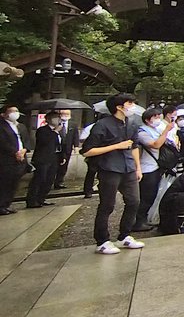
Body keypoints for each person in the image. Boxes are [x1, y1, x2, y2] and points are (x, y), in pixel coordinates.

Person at [81, 93, 145, 255]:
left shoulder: (131, 124)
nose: (132, 106)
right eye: (129, 103)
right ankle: (102, 240)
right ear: (119, 107)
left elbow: (134, 147)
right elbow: (87, 151)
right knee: (107, 205)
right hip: (109, 168)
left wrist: (138, 167)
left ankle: (125, 235)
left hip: (128, 168)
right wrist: (116, 146)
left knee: (134, 201)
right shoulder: (102, 125)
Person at [135, 108, 177, 232]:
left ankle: (143, 219)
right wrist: (166, 130)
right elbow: (155, 145)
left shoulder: (154, 130)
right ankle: (138, 222)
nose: (158, 119)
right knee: (146, 197)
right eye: (155, 117)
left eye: (159, 116)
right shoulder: (142, 133)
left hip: (156, 167)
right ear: (147, 120)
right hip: (147, 168)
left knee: (151, 196)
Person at [27, 111, 63, 208]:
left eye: (58, 118)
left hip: (53, 158)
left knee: (49, 180)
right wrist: (55, 132)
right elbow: (44, 141)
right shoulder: (42, 130)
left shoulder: (58, 131)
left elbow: (59, 145)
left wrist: (61, 157)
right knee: (39, 179)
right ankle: (32, 200)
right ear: (48, 119)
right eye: (55, 118)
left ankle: (41, 199)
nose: (58, 120)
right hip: (42, 159)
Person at [0, 105, 31, 215]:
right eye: (11, 111)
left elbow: (26, 140)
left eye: (16, 111)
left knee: (14, 183)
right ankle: (1, 205)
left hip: (21, 158)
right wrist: (15, 152)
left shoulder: (21, 126)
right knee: (5, 183)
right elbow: (3, 142)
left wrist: (24, 150)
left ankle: (7, 204)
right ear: (3, 114)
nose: (15, 113)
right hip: (7, 159)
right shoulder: (2, 127)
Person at [52, 109, 79, 190]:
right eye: (63, 114)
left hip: (67, 148)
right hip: (57, 148)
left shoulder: (73, 124)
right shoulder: (56, 123)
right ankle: (50, 181)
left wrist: (76, 146)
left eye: (67, 114)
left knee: (64, 166)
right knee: (54, 166)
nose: (65, 115)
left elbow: (75, 135)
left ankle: (59, 182)